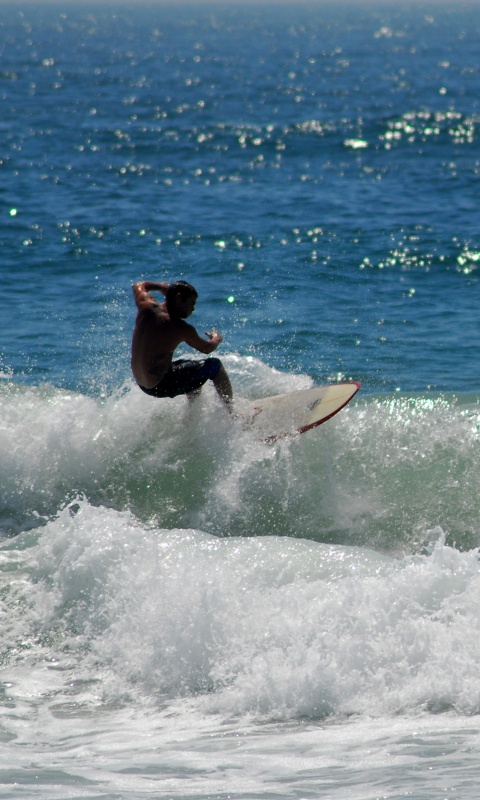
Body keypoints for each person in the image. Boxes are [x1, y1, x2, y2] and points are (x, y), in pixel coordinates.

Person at [131, 279, 233, 409]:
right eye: (191, 303)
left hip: (142, 383)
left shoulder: (146, 306)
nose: (193, 309)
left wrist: (161, 287)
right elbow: (207, 348)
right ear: (179, 298)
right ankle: (233, 413)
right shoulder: (181, 328)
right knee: (214, 366)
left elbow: (138, 285)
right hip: (161, 385)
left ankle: (192, 414)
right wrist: (216, 338)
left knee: (191, 367)